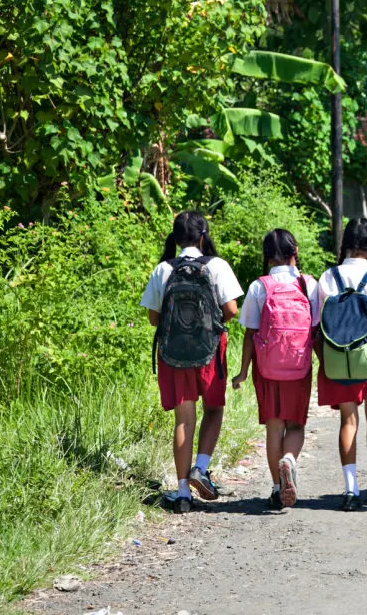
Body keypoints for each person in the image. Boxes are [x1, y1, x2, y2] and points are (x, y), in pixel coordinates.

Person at [140, 211, 243, 513]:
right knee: (214, 409)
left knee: (183, 419)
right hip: (210, 352)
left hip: (174, 353)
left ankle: (183, 492)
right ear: (203, 236)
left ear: (175, 237)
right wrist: (209, 325)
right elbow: (232, 309)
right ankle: (201, 467)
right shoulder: (217, 266)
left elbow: (152, 318)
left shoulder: (163, 269)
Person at [232, 229, 320, 511]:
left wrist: (243, 371)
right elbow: (315, 329)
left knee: (274, 426)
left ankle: (276, 487)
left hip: (267, 368)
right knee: (296, 425)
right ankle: (290, 460)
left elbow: (249, 333)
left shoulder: (260, 286)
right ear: (295, 250)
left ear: (267, 255)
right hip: (299, 366)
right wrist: (324, 365)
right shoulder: (308, 284)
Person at [317, 219, 367, 511]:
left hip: (338, 357)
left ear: (346, 244)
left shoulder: (328, 277)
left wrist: (323, 359)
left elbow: (319, 324)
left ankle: (350, 488)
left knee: (347, 420)